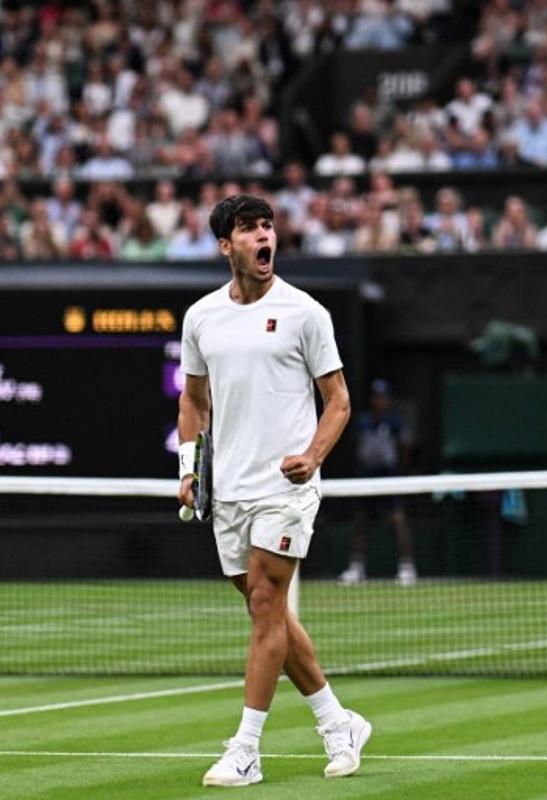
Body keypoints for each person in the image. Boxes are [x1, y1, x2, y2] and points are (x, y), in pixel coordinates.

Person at [177, 194, 369, 787]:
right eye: (249, 229)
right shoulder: (201, 317)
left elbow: (338, 401)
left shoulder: (305, 312)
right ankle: (339, 722)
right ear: (225, 246)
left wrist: (312, 456)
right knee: (270, 613)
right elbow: (192, 398)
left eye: (268, 226)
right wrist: (189, 467)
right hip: (228, 491)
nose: (264, 237)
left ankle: (247, 749)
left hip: (287, 489)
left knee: (265, 607)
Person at [339, 379, 418, 587]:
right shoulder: (362, 421)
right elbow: (355, 448)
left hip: (390, 476)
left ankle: (407, 567)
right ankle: (357, 568)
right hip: (367, 477)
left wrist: (402, 472)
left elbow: (404, 449)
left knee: (398, 520)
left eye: (383, 396)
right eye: (376, 396)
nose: (379, 400)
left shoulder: (395, 422)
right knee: (361, 521)